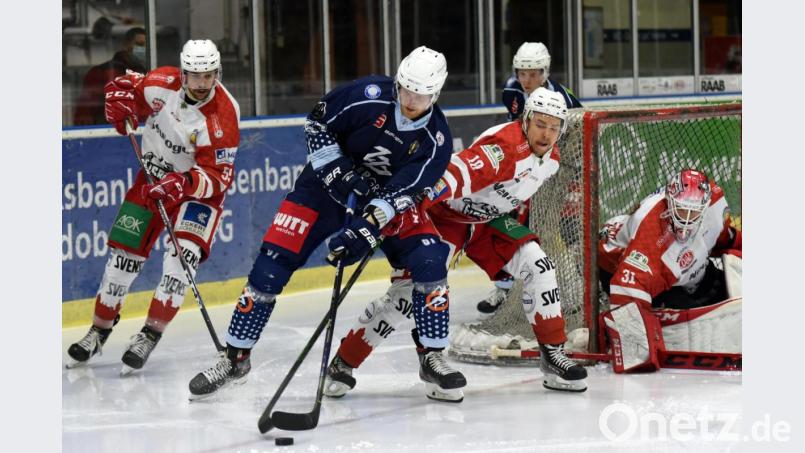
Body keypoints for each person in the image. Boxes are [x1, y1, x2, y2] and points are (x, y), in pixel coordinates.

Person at [187, 46, 460, 400]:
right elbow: (317, 124)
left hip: (381, 201)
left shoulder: (436, 142)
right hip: (321, 188)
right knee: (272, 261)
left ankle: (432, 356)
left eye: (420, 96)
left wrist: (365, 228)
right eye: (405, 90)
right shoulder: (367, 95)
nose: (409, 100)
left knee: (430, 258)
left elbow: (402, 194)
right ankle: (235, 357)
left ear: (435, 94)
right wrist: (337, 172)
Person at [322, 88, 589, 402]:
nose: (546, 134)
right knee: (407, 295)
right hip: (443, 217)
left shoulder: (552, 160)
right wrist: (409, 203)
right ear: (526, 120)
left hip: (485, 222)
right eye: (540, 124)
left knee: (539, 265)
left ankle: (553, 354)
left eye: (554, 127)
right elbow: (455, 173)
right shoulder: (504, 147)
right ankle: (347, 361)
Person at [65, 39, 241, 375]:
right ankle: (99, 330)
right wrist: (121, 109)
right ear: (183, 73)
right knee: (122, 260)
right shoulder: (162, 82)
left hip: (197, 195)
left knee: (179, 267)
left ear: (218, 73)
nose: (202, 83)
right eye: (195, 75)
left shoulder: (224, 116)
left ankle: (149, 334)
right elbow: (127, 91)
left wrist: (182, 183)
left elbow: (218, 177)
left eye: (209, 75)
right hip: (150, 180)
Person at [597, 168, 742, 310]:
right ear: (669, 202)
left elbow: (723, 238)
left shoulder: (714, 202)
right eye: (682, 209)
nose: (686, 219)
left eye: (693, 212)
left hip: (671, 268)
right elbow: (628, 291)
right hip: (615, 264)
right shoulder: (651, 234)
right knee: (684, 318)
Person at [73, 27, 148, 126]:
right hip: (108, 131)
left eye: (146, 46)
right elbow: (84, 115)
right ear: (125, 45)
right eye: (139, 44)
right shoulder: (101, 72)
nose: (143, 49)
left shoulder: (145, 74)